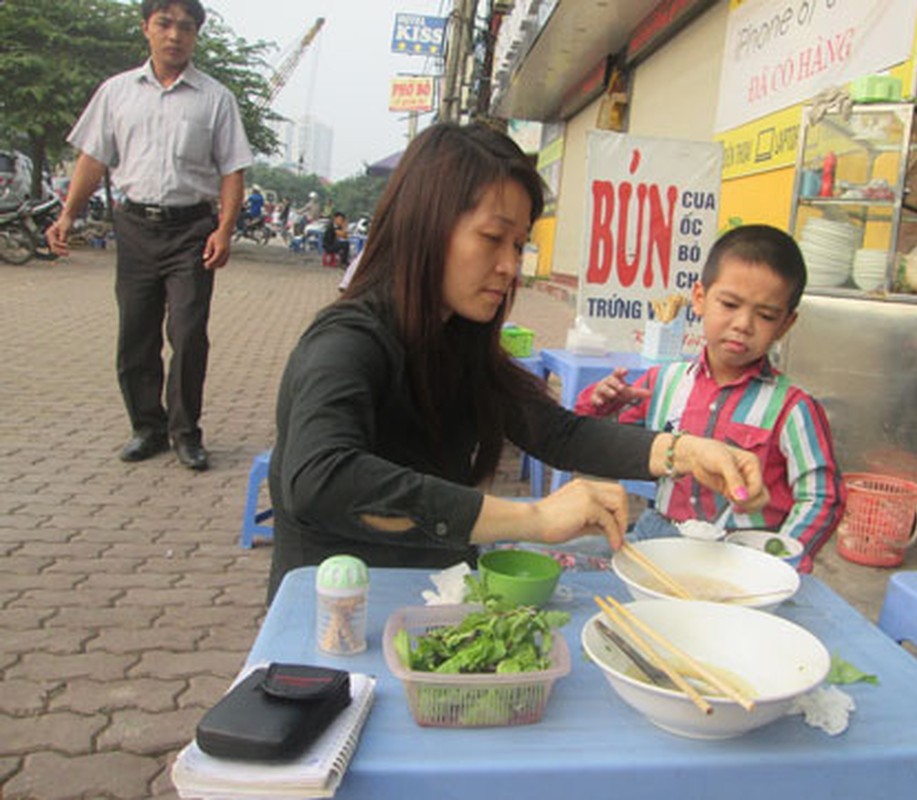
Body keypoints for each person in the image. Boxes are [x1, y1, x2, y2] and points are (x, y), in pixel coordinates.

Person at [266, 122, 769, 602]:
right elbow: (320, 479)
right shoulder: (346, 341)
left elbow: (557, 432)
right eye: (492, 238)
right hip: (338, 621)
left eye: (519, 244)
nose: (510, 265)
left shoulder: (458, 343)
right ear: (426, 226)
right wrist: (533, 519)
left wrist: (685, 452)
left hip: (434, 598)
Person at [45, 0, 253, 471]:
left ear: (196, 35)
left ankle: (185, 433)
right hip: (135, 226)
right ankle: (147, 427)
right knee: (135, 333)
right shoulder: (116, 93)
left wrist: (224, 228)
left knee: (188, 332)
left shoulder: (216, 99)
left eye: (185, 26)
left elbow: (233, 171)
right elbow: (93, 160)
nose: (174, 35)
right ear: (146, 29)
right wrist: (67, 216)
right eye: (164, 24)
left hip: (192, 231)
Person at [575, 224, 845, 572]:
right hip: (658, 535)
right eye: (730, 304)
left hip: (743, 553)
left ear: (785, 325)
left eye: (765, 315)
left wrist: (779, 559)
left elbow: (822, 496)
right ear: (700, 299)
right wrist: (601, 408)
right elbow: (609, 450)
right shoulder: (663, 383)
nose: (743, 324)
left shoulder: (794, 408)